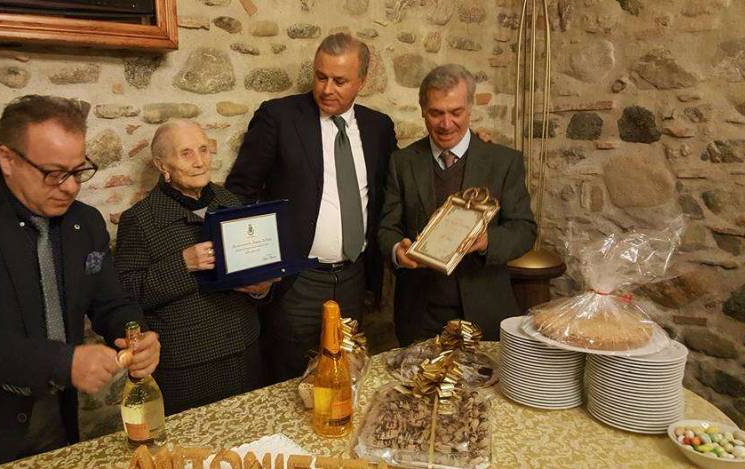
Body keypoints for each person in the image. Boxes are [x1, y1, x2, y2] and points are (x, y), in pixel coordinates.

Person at [0, 95, 160, 468]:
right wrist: (64, 362)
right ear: (8, 159)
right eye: (54, 173)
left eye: (79, 170)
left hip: (51, 421)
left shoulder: (85, 223)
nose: (70, 187)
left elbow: (111, 301)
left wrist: (136, 333)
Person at [225, 33, 398, 382]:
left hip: (354, 277)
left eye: (340, 80)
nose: (327, 89)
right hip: (296, 281)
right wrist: (250, 263)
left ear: (362, 81)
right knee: (288, 377)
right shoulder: (279, 117)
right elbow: (239, 191)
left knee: (343, 374)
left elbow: (395, 186)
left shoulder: (379, 128)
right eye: (321, 77)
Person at [114, 120, 275, 415]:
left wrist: (260, 290)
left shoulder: (231, 202)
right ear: (162, 165)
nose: (200, 162)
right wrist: (182, 264)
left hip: (245, 350)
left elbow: (253, 266)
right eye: (185, 154)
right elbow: (125, 295)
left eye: (203, 150)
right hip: (188, 367)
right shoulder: (140, 220)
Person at [378, 64, 537, 346]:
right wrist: (396, 251)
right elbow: (387, 227)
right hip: (419, 315)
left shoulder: (504, 161)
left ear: (470, 109)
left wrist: (488, 241)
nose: (446, 123)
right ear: (423, 111)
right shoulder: (401, 162)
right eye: (436, 113)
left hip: (486, 311)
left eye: (456, 112)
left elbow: (524, 230)